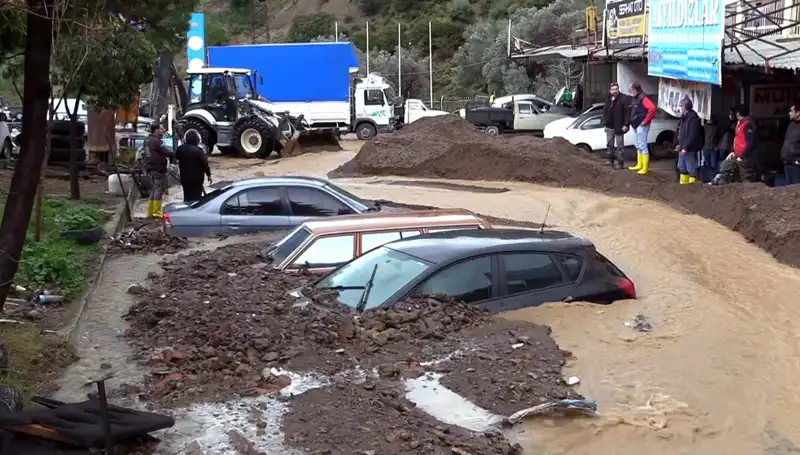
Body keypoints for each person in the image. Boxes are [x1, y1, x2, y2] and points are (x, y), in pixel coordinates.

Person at [145, 123, 175, 219]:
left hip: (149, 168)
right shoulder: (157, 141)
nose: (164, 130)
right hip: (158, 168)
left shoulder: (147, 140)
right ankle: (156, 212)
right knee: (158, 190)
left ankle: (150, 212)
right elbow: (166, 152)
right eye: (161, 129)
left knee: (153, 190)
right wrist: (173, 155)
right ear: (156, 130)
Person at [627, 82, 657, 175]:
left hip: (641, 125)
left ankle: (644, 167)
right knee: (638, 145)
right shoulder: (635, 98)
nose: (630, 90)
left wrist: (645, 121)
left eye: (631, 89)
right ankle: (639, 164)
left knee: (643, 145)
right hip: (635, 124)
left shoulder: (643, 98)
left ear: (636, 89)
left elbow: (652, 108)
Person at [176, 130, 212, 202]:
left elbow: (176, 158)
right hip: (197, 180)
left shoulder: (180, 149)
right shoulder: (199, 151)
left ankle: (187, 210)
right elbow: (205, 164)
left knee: (186, 197)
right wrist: (209, 175)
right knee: (196, 199)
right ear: (197, 140)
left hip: (185, 179)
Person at [602, 82, 630, 169]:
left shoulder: (624, 98)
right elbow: (605, 111)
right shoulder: (608, 98)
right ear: (610, 91)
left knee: (620, 146)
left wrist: (626, 124)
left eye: (616, 89)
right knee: (609, 144)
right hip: (609, 125)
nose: (614, 91)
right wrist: (604, 122)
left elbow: (627, 113)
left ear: (618, 89)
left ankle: (620, 163)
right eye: (613, 89)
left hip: (619, 126)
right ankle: (610, 160)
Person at [728, 105, 759, 182]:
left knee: (747, 179)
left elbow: (750, 143)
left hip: (746, 158)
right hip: (738, 156)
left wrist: (742, 156)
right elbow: (737, 138)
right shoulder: (740, 123)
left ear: (738, 114)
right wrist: (733, 151)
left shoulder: (748, 124)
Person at [675, 98, 703, 184]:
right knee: (681, 167)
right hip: (682, 147)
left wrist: (686, 147)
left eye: (681, 106)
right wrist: (679, 144)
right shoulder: (683, 118)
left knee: (691, 169)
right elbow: (681, 132)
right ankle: (683, 187)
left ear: (686, 107)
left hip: (689, 149)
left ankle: (692, 188)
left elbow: (692, 135)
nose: (680, 108)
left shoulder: (693, 119)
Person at [781, 101, 800, 185]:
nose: (789, 113)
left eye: (791, 111)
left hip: (796, 165)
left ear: (798, 113)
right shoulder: (791, 124)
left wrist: (798, 160)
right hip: (787, 163)